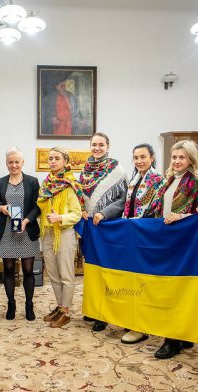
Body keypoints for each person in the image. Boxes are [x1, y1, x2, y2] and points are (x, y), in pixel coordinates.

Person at [148, 140, 198, 359]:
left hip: (184, 246)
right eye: (174, 157)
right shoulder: (169, 180)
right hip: (166, 241)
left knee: (177, 292)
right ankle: (183, 335)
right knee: (168, 289)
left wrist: (184, 215)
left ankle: (172, 340)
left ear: (191, 159)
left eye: (182, 157)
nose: (176, 161)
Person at [113, 143, 166, 344]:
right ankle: (133, 322)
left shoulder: (158, 180)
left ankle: (141, 328)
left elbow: (157, 211)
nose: (139, 161)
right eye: (135, 157)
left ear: (152, 158)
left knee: (143, 283)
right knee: (131, 281)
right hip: (132, 237)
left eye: (143, 157)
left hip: (147, 237)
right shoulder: (135, 179)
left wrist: (139, 224)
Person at [78, 132, 127, 332]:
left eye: (101, 145)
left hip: (107, 227)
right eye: (94, 145)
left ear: (108, 146)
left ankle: (105, 314)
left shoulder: (117, 168)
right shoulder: (85, 169)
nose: (97, 148)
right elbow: (79, 194)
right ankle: (93, 308)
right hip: (89, 227)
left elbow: (123, 200)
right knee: (91, 270)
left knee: (107, 270)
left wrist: (103, 213)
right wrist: (81, 208)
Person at [0, 147, 41, 321]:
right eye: (10, 162)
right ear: (6, 163)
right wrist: (1, 208)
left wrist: (26, 221)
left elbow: (37, 206)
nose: (14, 165)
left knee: (28, 271)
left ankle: (29, 304)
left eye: (16, 162)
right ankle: (11, 303)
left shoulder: (32, 182)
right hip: (6, 232)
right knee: (9, 270)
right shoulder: (0, 182)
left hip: (26, 231)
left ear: (22, 163)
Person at [38, 147, 84, 328]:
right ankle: (59, 306)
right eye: (50, 158)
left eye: (57, 158)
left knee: (66, 274)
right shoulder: (46, 184)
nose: (52, 161)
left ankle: (66, 310)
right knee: (53, 274)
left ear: (65, 161)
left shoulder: (70, 185)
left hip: (64, 233)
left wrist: (61, 218)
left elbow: (77, 214)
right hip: (48, 232)